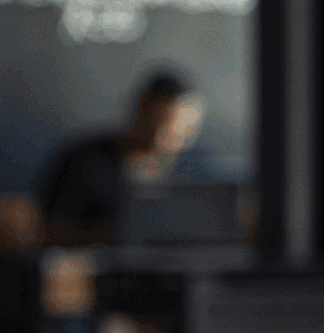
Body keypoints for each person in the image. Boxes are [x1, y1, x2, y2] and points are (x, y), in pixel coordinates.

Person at [39, 69, 205, 243]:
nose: (178, 136)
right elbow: (54, 229)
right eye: (167, 123)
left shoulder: (199, 172)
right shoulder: (83, 162)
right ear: (144, 108)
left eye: (188, 130)